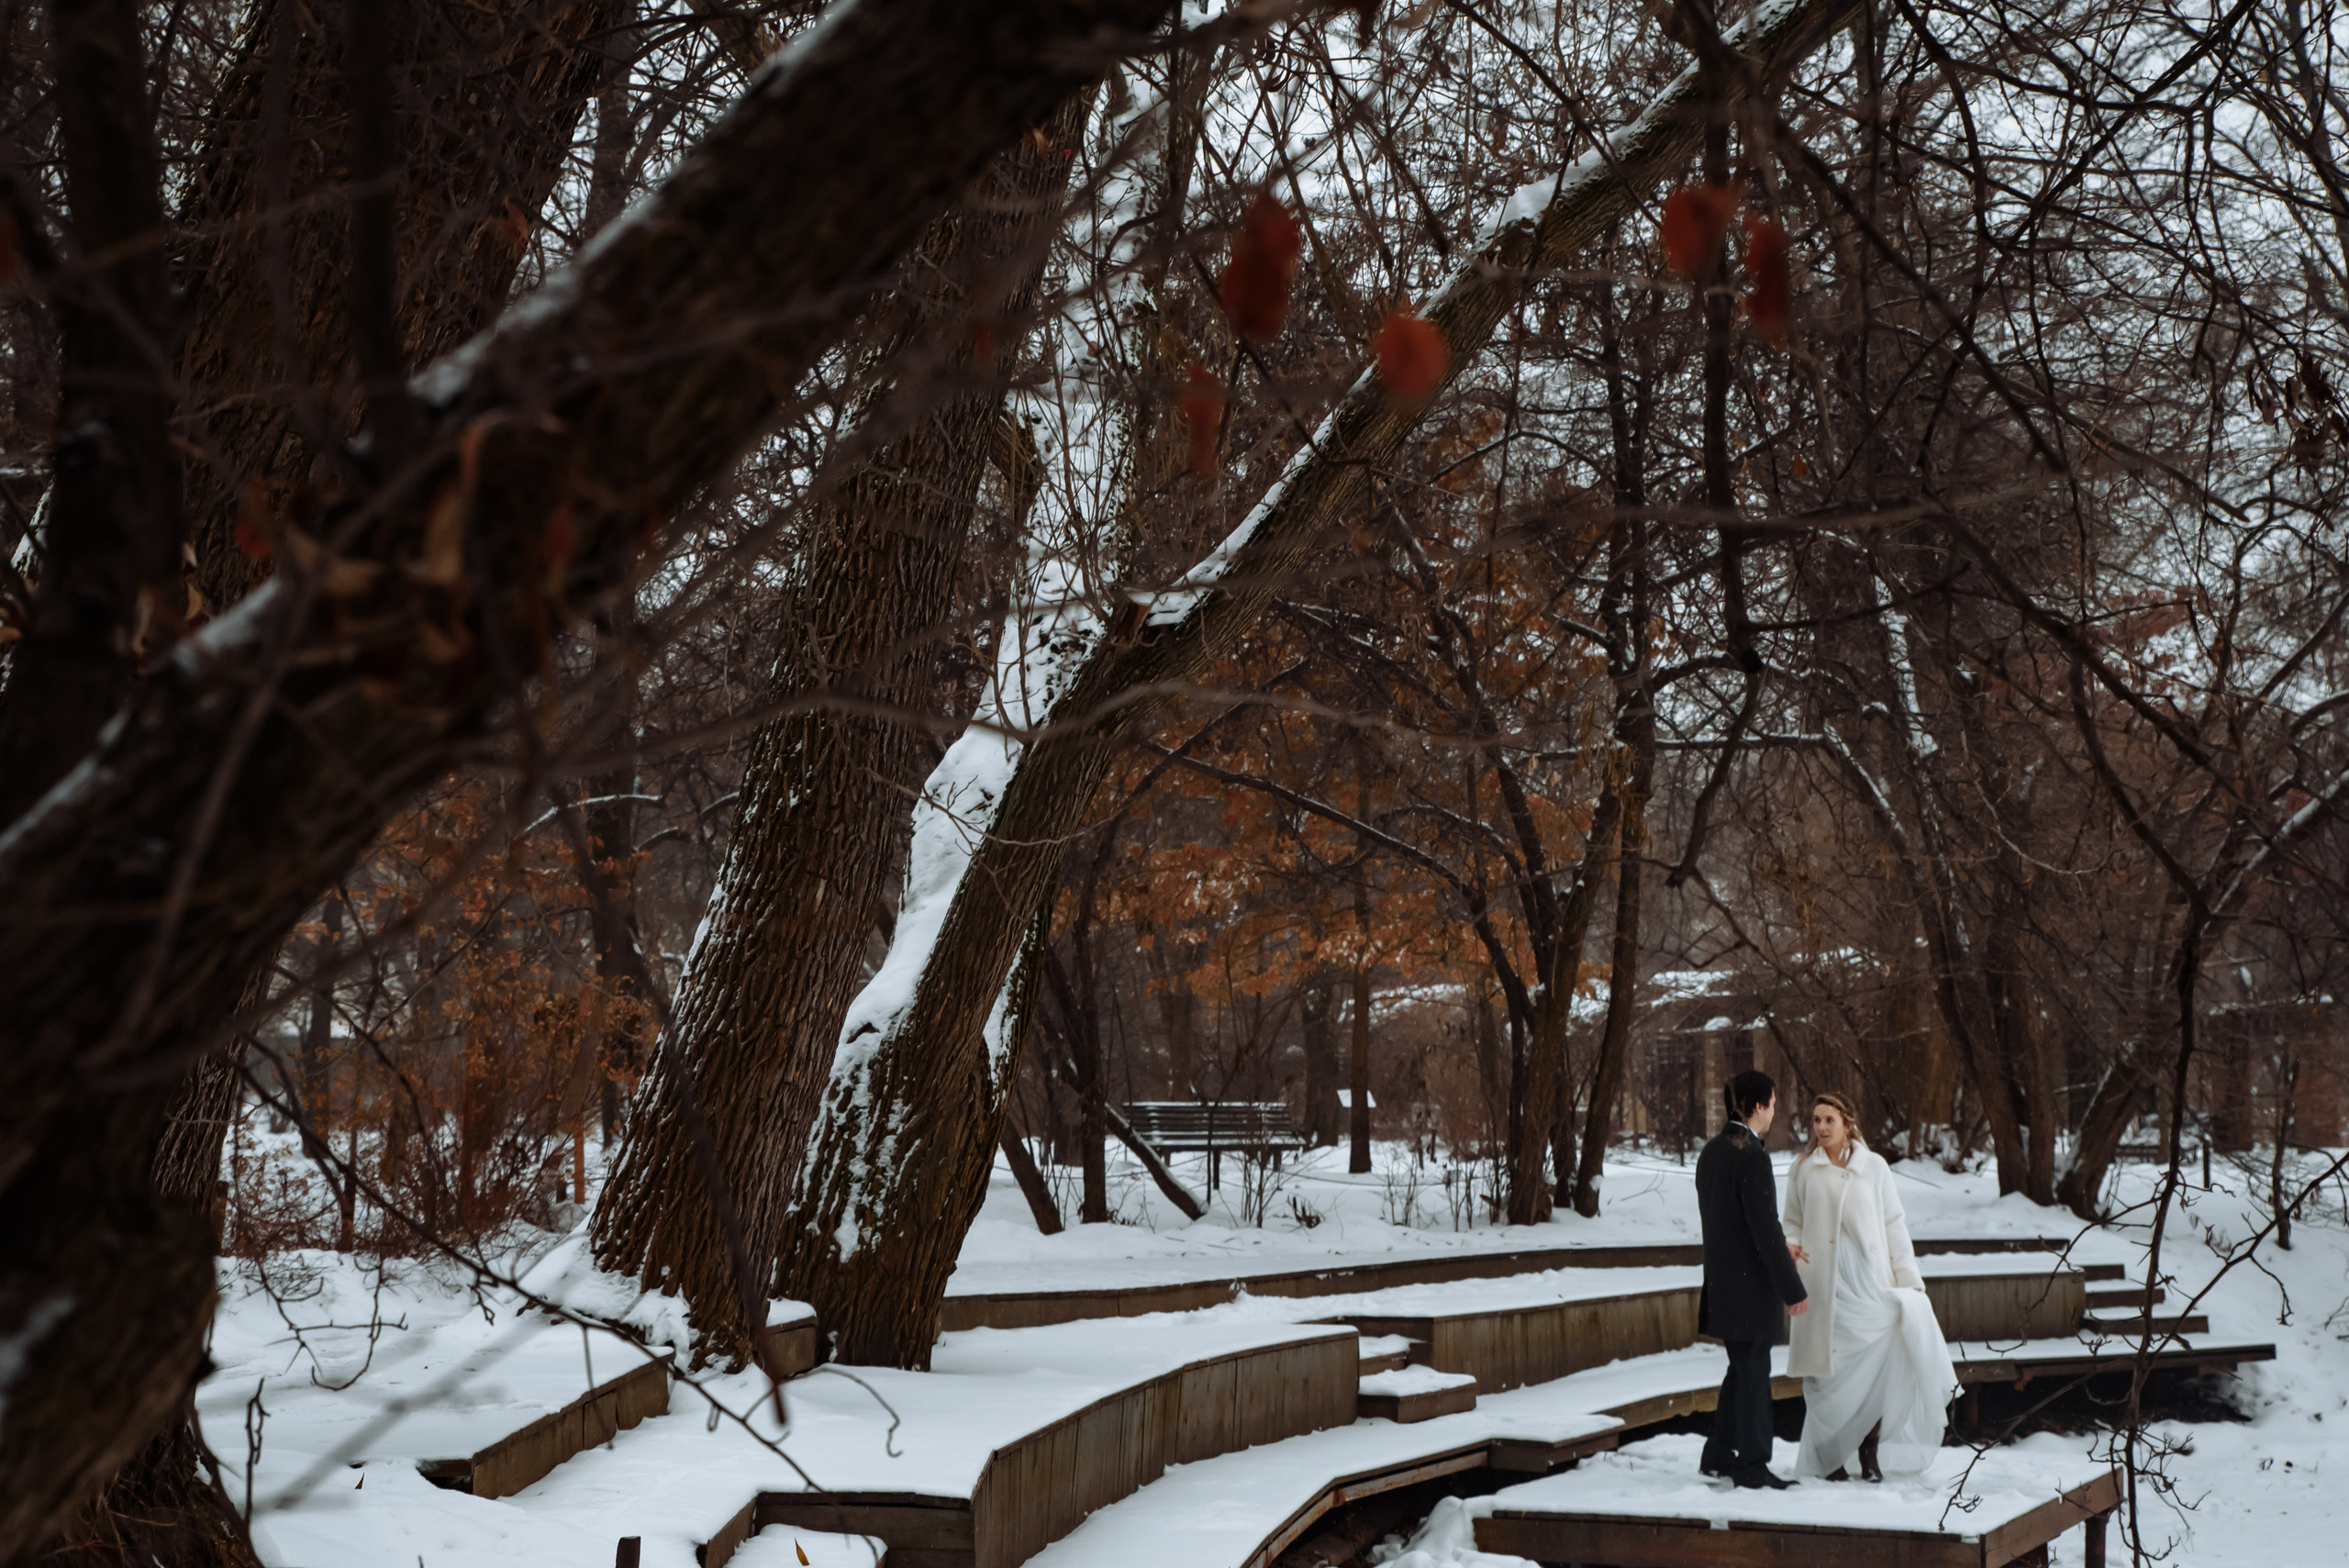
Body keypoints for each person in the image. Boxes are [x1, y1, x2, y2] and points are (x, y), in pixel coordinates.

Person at [1782, 1091, 1959, 1481]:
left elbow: (1894, 1223)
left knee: (1882, 1363)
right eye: (1816, 1120)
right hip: (1824, 1285)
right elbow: (1791, 1220)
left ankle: (1869, 1450)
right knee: (1828, 1375)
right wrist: (1790, 1246)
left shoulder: (1874, 1167)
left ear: (1848, 1124)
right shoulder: (1802, 1170)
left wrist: (1908, 1280)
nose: (1822, 1127)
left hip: (1868, 1280)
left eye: (1830, 1120)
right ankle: (1828, 1457)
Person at [1695, 1069, 1809, 1488]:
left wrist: (1779, 1247)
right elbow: (1763, 1228)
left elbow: (1731, 1223)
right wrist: (1792, 1289)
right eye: (1774, 1103)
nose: (1775, 1110)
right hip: (1749, 1289)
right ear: (1759, 1106)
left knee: (1740, 1372)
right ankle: (1753, 1465)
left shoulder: (1712, 1151)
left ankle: (1719, 1455)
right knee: (1754, 1376)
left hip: (1724, 1285)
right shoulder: (1752, 1155)